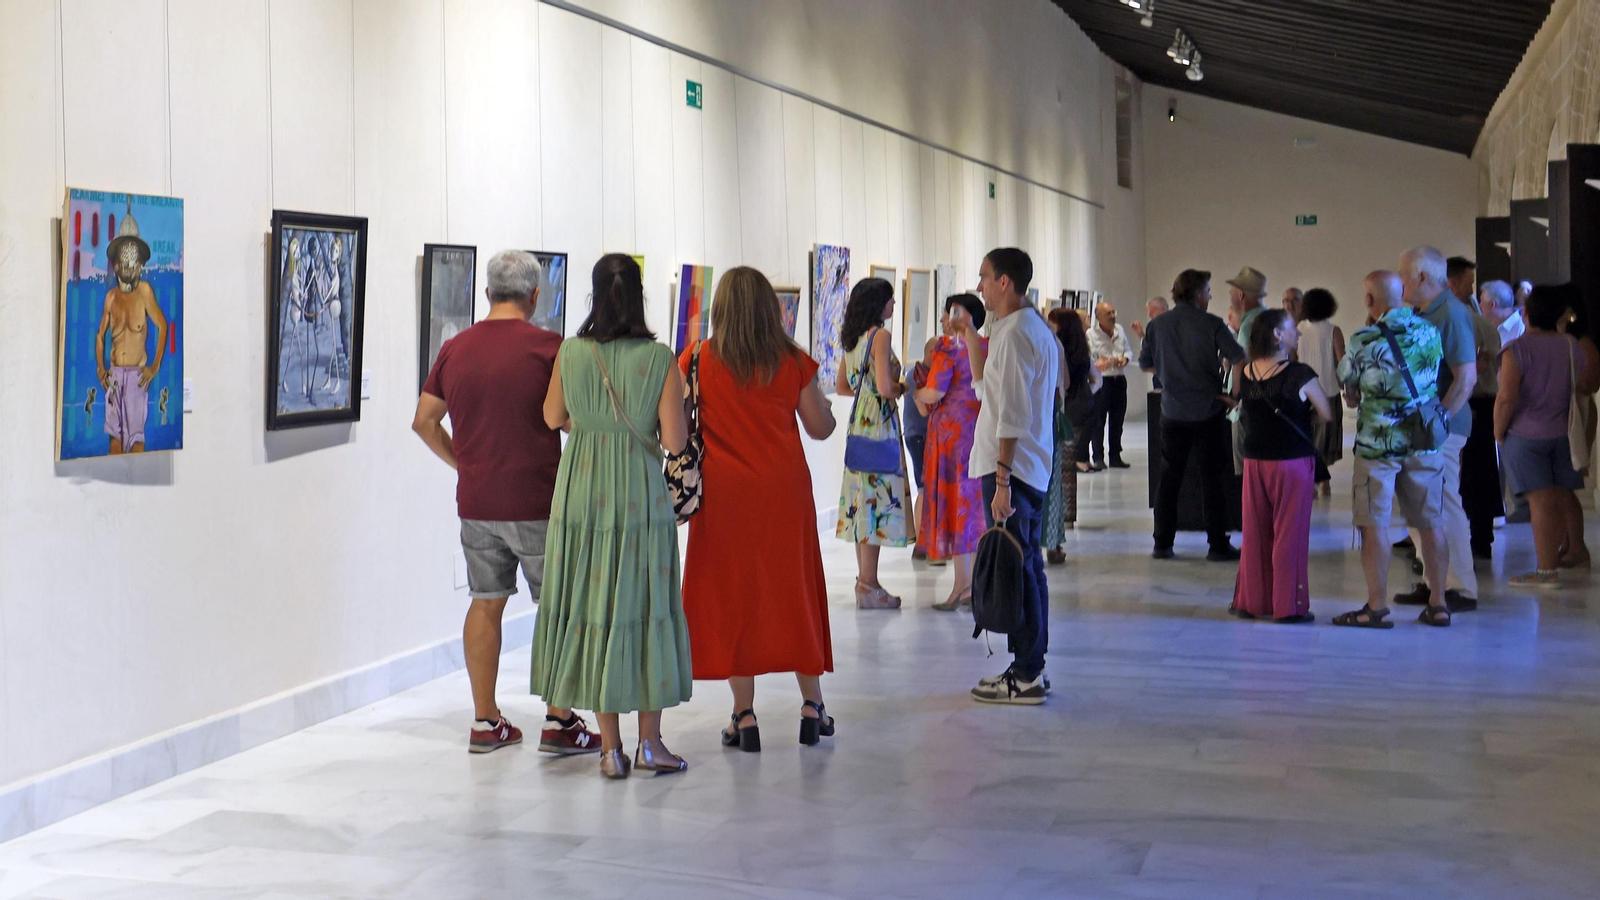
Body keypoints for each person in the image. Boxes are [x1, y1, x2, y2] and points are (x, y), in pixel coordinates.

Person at [413, 250, 600, 757]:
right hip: (539, 500)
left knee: (486, 602)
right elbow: (568, 420)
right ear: (535, 297)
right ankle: (560, 720)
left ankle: (485, 720)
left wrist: (463, 464)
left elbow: (424, 421)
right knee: (558, 608)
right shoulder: (550, 348)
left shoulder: (456, 349)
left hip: (477, 502)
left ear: (487, 293)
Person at [532, 253, 693, 779]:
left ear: (594, 295)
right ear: (639, 295)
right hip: (641, 501)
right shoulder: (661, 359)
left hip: (582, 498)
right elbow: (674, 441)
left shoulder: (571, 353)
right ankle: (651, 744)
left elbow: (553, 416)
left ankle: (609, 750)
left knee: (595, 605)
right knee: (645, 606)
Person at [679, 266, 839, 752]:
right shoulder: (790, 360)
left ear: (721, 309)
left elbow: (680, 427)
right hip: (783, 495)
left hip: (725, 497)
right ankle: (812, 706)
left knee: (734, 599)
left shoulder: (698, 359)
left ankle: (744, 716)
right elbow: (821, 428)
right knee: (796, 592)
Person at [1332, 270, 1453, 629]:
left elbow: (1347, 384)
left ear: (1369, 301)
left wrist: (1357, 393)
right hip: (1424, 440)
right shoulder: (1430, 330)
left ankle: (1377, 606)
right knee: (1431, 523)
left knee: (1374, 525)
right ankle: (1439, 603)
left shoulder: (1363, 339)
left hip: (1377, 446)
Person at [968, 248, 1059, 705]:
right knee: (1027, 566)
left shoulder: (1018, 333)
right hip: (1025, 467)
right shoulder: (1018, 330)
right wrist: (969, 335)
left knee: (1017, 568)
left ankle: (1026, 673)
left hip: (1015, 471)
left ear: (1005, 282)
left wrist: (1002, 481)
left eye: (984, 277)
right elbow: (991, 392)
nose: (979, 284)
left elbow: (1013, 415)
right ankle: (1031, 666)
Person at [1391, 247, 1479, 613]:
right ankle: (1435, 583)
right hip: (1424, 427)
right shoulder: (1426, 312)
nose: (1399, 285)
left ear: (1422, 278)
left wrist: (1438, 422)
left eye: (1403, 277)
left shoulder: (1451, 313)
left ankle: (1459, 586)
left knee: (1442, 505)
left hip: (1441, 429)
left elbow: (1466, 377)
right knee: (1421, 507)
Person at [1231, 309, 1332, 623]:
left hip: (1255, 461)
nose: (1298, 334)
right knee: (1291, 533)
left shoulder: (1246, 371)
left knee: (1256, 532)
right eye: (1292, 329)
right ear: (1277, 334)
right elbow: (1326, 413)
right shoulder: (1299, 373)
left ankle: (1251, 601)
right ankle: (1288, 605)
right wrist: (1303, 419)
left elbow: (1244, 408)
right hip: (1291, 461)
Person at [1139, 269, 1245, 561]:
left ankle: (1162, 542)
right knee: (1211, 478)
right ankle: (1216, 543)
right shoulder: (1212, 323)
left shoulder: (1158, 325)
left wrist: (1172, 373)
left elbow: (1146, 363)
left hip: (1172, 411)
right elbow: (1238, 358)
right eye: (1209, 291)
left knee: (1169, 477)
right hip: (1208, 411)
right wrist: (1234, 396)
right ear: (1199, 294)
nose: (1210, 296)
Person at [1495, 284, 1594, 586]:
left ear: (1526, 313)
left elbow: (1507, 398)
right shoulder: (1570, 345)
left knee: (1540, 503)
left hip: (1526, 436)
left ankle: (1546, 570)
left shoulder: (1517, 350)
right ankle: (1577, 551)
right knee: (1565, 494)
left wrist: (1498, 432)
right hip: (1563, 432)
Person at [836, 277, 914, 608]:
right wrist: (904, 387)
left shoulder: (852, 338)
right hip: (880, 423)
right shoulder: (880, 336)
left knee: (863, 503)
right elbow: (885, 387)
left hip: (859, 423)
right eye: (891, 300)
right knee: (878, 500)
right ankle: (868, 582)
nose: (894, 305)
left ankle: (866, 582)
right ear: (878, 304)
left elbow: (841, 385)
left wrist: (867, 389)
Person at [914, 294, 989, 610]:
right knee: (972, 507)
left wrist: (916, 393)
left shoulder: (947, 348)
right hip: (977, 430)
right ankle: (970, 583)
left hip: (950, 437)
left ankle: (963, 585)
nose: (944, 319)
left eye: (948, 313)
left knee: (956, 508)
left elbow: (935, 391)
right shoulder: (986, 346)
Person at [95, 203, 168, 454]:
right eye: (125, 264)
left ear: (140, 266)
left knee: (136, 441)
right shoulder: (111, 299)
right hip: (114, 376)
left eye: (134, 264)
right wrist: (101, 369)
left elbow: (162, 325)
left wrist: (155, 366)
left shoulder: (145, 292)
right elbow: (100, 336)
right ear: (116, 266)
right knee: (114, 439)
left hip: (137, 377)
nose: (129, 270)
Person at [1043, 308, 1092, 564]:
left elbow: (1063, 383)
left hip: (1060, 414)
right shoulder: (1078, 350)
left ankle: (1056, 529)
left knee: (1057, 474)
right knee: (1064, 472)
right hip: (1072, 413)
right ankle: (1061, 526)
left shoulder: (1056, 347)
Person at [1463, 300, 1504, 559]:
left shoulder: (1465, 323)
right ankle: (1481, 536)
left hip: (1471, 400)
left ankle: (1477, 537)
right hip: (1481, 400)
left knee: (1472, 473)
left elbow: (1479, 366)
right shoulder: (1483, 324)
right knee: (1481, 471)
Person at [1296, 288, 1345, 496]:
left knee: (1307, 435)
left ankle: (1311, 479)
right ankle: (1323, 480)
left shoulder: (1298, 328)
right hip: (1328, 389)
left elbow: (1291, 357)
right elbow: (1341, 360)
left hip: (1303, 390)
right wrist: (1346, 385)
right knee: (1326, 438)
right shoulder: (1333, 330)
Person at [1087, 301, 1132, 468]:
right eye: (1108, 314)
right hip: (1102, 382)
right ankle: (1098, 457)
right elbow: (1093, 360)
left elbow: (1128, 350)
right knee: (1098, 420)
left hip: (1119, 380)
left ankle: (1115, 456)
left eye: (1114, 312)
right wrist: (1104, 362)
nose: (1113, 316)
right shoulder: (1091, 334)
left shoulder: (1119, 330)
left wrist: (1126, 359)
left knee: (1117, 420)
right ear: (1098, 316)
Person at [904, 348, 932, 562]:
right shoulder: (923, 375)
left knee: (923, 488)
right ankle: (923, 544)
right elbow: (925, 409)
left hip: (913, 435)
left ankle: (923, 543)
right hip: (922, 436)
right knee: (925, 489)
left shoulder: (912, 371)